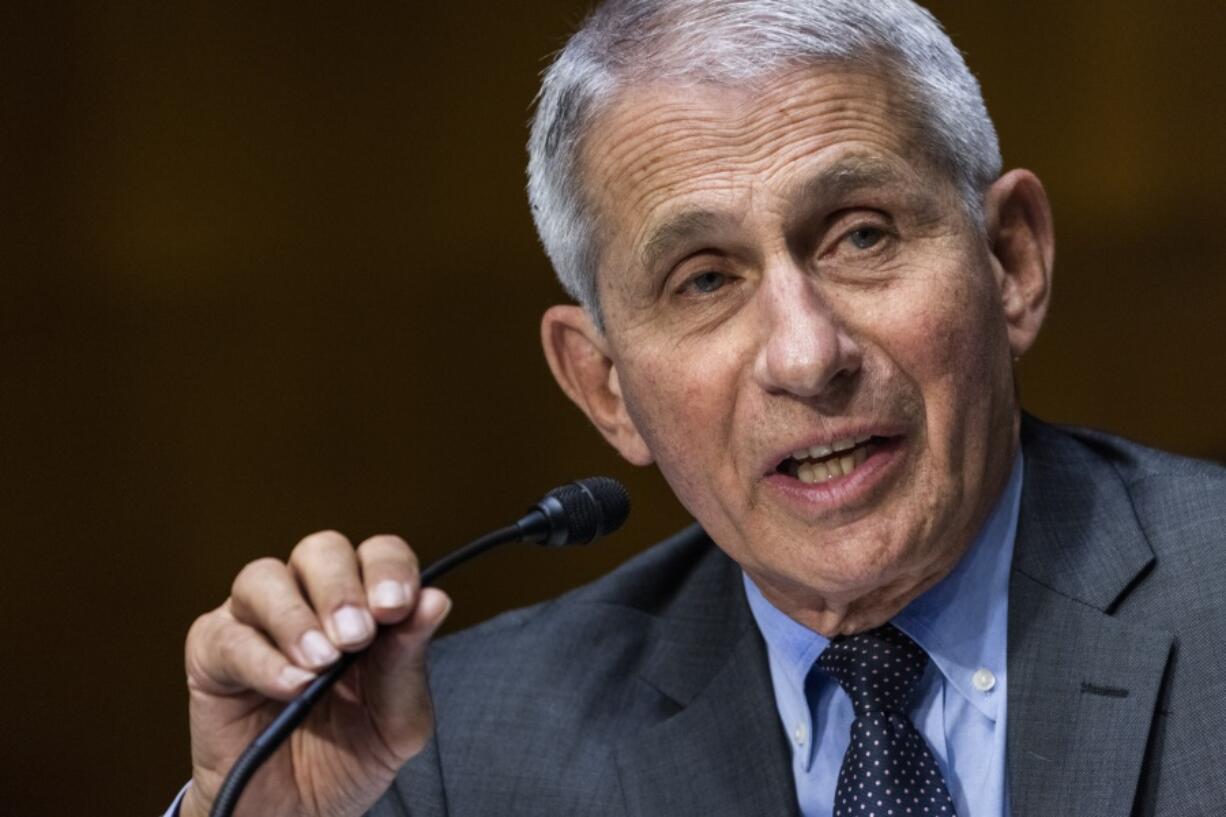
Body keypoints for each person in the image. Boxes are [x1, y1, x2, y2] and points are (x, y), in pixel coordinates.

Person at [167, 1, 1226, 815]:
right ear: (604, 388)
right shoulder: (449, 753)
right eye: (704, 280)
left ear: (1010, 262)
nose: (805, 354)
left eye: (859, 234)